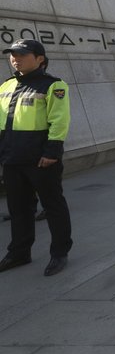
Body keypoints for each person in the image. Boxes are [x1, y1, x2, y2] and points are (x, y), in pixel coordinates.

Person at [0, 39, 72, 277]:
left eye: (21, 54)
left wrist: (52, 152)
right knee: (19, 208)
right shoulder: (6, 85)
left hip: (41, 160)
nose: (15, 58)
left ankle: (59, 253)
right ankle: (19, 252)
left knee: (53, 206)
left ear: (40, 58)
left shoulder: (53, 86)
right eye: (12, 55)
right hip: (12, 158)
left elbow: (59, 120)